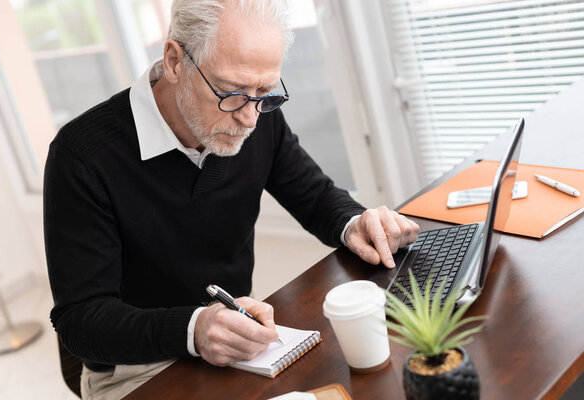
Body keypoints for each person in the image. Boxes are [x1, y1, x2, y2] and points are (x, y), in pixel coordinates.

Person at [43, 0, 419, 398]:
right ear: (174, 61)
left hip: (239, 336)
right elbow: (80, 321)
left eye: (265, 92)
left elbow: (314, 196)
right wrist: (193, 329)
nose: (250, 118)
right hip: (136, 367)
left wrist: (355, 223)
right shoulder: (83, 155)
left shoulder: (255, 108)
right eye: (232, 93)